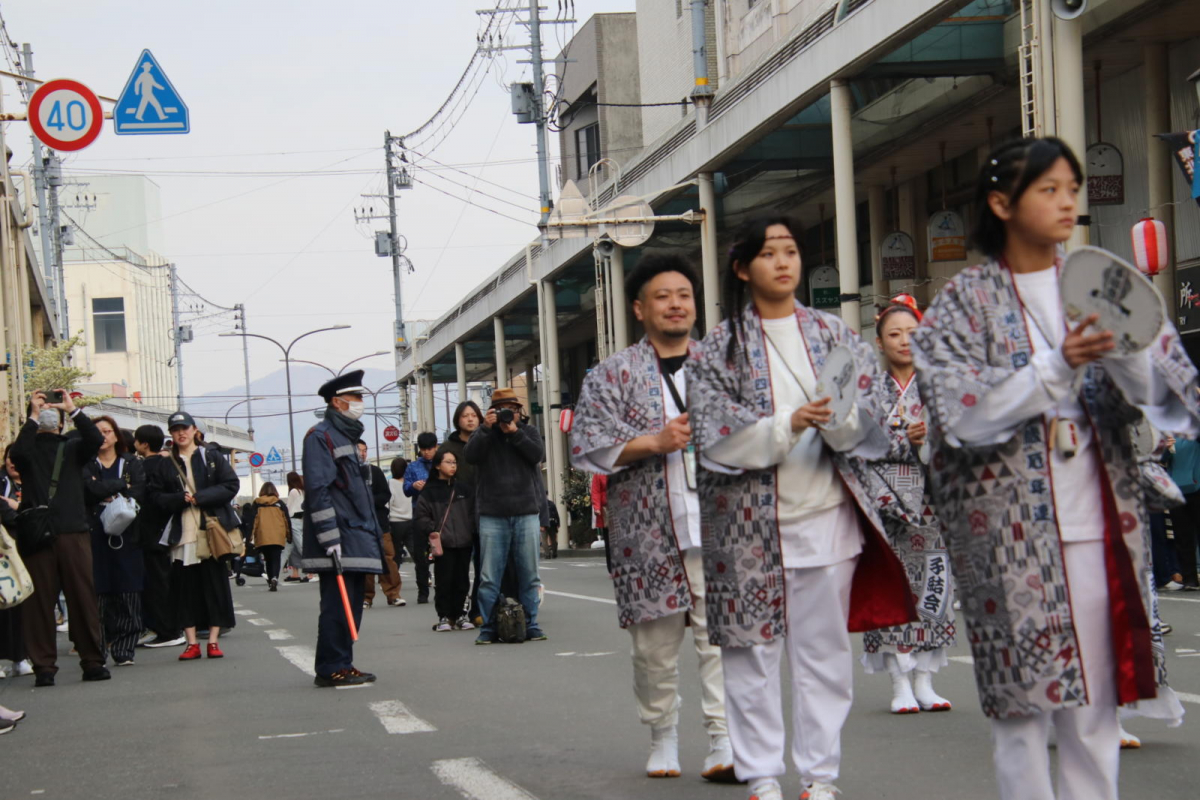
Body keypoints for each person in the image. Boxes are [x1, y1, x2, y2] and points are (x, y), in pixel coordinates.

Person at [910, 137, 1198, 800]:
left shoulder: (1105, 281)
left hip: (1101, 525)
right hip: (1005, 540)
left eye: (1072, 187)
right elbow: (962, 415)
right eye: (1049, 189)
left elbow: (1176, 401)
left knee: (1096, 708)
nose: (1068, 200)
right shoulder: (963, 303)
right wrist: (1058, 362)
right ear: (1001, 203)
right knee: (1022, 711)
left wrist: (1123, 357)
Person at [687, 217, 914, 800]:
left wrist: (840, 424)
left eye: (790, 252)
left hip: (826, 519)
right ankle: (761, 775)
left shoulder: (835, 334)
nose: (783, 263)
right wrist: (788, 423)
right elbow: (714, 436)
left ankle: (820, 777)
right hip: (747, 529)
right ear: (743, 268)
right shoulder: (719, 348)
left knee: (823, 656)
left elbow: (871, 424)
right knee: (751, 653)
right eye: (769, 253)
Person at [571, 252, 735, 782]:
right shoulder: (612, 374)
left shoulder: (724, 365)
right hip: (647, 534)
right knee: (655, 650)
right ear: (640, 308)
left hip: (719, 527)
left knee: (723, 642)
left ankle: (722, 740)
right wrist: (653, 443)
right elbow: (588, 447)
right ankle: (662, 734)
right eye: (662, 297)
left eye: (683, 295)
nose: (675, 304)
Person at [854, 298, 957, 714]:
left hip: (932, 501)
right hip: (884, 504)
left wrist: (931, 439)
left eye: (912, 334)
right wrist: (902, 440)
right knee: (891, 588)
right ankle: (899, 681)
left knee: (934, 587)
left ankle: (925, 679)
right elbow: (857, 441)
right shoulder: (869, 389)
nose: (904, 341)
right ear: (879, 343)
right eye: (894, 334)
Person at [11, 390, 110, 686]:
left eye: (52, 410)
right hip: (39, 534)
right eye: (44, 409)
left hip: (72, 530)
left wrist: (73, 410)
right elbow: (17, 455)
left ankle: (92, 661)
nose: (48, 413)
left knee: (82, 597)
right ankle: (44, 666)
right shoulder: (27, 450)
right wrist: (32, 415)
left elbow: (95, 440)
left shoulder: (74, 446)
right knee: (39, 603)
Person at [301, 370, 385, 687]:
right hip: (340, 536)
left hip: (357, 534)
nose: (361, 403)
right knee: (338, 607)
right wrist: (329, 536)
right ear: (338, 402)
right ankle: (331, 666)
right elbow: (319, 489)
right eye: (356, 398)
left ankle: (343, 662)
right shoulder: (320, 436)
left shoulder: (344, 436)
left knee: (351, 604)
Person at [148, 411, 240, 661]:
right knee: (184, 590)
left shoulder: (211, 456)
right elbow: (154, 497)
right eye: (176, 428)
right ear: (170, 433)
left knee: (214, 586)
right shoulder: (165, 463)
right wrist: (178, 499)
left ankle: (212, 640)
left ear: (194, 430)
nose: (181, 432)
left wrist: (202, 497)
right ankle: (190, 643)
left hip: (211, 533)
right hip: (181, 535)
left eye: (185, 428)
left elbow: (231, 485)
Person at [465, 388, 548, 645]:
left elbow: (538, 455)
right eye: (501, 409)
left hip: (525, 512)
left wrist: (515, 433)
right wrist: (486, 430)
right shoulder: (485, 434)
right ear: (490, 412)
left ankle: (531, 624)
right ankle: (488, 627)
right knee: (489, 576)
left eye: (511, 408)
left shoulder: (528, 431)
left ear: (518, 410)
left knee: (529, 573)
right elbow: (470, 456)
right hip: (492, 513)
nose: (506, 414)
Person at [83, 415, 147, 667]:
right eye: (97, 432)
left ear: (116, 435)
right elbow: (88, 490)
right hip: (92, 534)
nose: (103, 436)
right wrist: (120, 487)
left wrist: (105, 489)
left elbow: (138, 491)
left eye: (107, 431)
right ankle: (98, 651)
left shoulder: (131, 462)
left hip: (128, 535)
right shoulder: (86, 462)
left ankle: (124, 650)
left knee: (128, 593)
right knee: (96, 594)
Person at [132, 425, 184, 648]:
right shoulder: (168, 464)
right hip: (167, 530)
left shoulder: (143, 467)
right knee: (165, 581)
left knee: (155, 584)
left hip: (148, 532)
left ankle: (166, 630)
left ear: (144, 444)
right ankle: (171, 627)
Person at [415, 450, 475, 631]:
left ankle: (461, 615)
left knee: (462, 580)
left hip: (464, 541)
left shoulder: (463, 489)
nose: (453, 466)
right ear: (437, 466)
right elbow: (421, 516)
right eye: (448, 462)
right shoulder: (429, 490)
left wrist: (471, 530)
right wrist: (433, 531)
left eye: (454, 462)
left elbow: (473, 513)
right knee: (444, 580)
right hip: (443, 544)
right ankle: (444, 616)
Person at [438, 402, 482, 615]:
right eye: (465, 416)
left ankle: (479, 610)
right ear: (458, 420)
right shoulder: (447, 448)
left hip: (485, 511)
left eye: (474, 415)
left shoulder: (487, 441)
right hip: (458, 515)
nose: (470, 419)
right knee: (458, 568)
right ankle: (454, 611)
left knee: (485, 565)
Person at [0, 444, 31, 680]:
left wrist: (17, 507)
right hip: (5, 551)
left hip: (28, 549)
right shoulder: (2, 482)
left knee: (23, 604)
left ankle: (21, 657)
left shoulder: (35, 481)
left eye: (16, 458)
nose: (11, 462)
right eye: (8, 458)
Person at [359, 440, 402, 608]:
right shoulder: (348, 474)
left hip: (379, 522)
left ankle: (393, 594)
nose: (362, 453)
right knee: (365, 562)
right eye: (359, 450)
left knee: (388, 559)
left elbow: (385, 495)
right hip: (360, 526)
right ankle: (366, 597)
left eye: (365, 450)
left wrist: (367, 500)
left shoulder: (375, 472)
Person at [403, 432, 438, 604]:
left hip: (439, 515)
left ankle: (442, 590)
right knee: (420, 557)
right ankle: (422, 591)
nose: (427, 453)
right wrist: (413, 486)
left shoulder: (442, 464)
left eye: (430, 449)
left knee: (441, 555)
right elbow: (406, 489)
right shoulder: (412, 467)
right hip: (419, 515)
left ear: (436, 447)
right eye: (424, 449)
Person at [240, 482, 291, 591]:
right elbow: (287, 520)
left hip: (263, 535)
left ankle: (270, 579)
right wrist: (289, 535)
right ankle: (274, 578)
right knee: (276, 558)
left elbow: (252, 521)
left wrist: (248, 538)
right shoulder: (280, 503)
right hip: (278, 534)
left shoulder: (257, 504)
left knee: (268, 559)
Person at [386, 457, 410, 591]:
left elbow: (388, 504)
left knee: (395, 553)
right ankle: (426, 576)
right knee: (415, 551)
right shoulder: (409, 483)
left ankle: (394, 578)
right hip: (410, 520)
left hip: (395, 522)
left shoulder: (390, 483)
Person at [283, 471, 308, 583]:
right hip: (301, 519)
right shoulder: (302, 491)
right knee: (289, 549)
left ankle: (313, 571)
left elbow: (288, 508)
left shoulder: (293, 491)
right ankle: (273, 573)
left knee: (300, 547)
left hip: (293, 521)